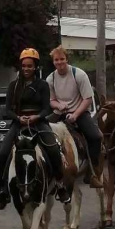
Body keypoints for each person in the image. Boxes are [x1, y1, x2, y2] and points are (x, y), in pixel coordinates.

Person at [0, 49, 68, 210]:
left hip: (39, 123)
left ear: (35, 67)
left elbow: (47, 108)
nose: (26, 69)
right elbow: (8, 110)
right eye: (24, 66)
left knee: (53, 149)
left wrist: (37, 116)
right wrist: (18, 118)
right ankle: (3, 189)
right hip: (19, 123)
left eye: (29, 66)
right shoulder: (13, 86)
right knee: (2, 153)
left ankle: (59, 184)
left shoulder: (43, 85)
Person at [46, 46, 101, 185]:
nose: (59, 62)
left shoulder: (79, 75)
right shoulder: (50, 79)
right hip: (59, 113)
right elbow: (51, 100)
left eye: (62, 59)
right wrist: (59, 106)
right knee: (42, 132)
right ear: (53, 61)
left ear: (67, 59)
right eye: (56, 60)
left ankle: (93, 172)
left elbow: (87, 98)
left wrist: (75, 114)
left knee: (95, 137)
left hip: (79, 112)